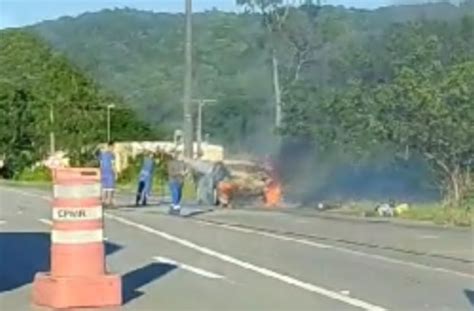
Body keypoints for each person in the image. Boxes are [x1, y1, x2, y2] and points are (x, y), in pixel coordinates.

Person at [99, 141, 116, 208]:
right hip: (109, 172)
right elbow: (113, 165)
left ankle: (103, 202)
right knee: (110, 188)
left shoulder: (102, 154)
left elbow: (100, 164)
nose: (113, 148)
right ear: (110, 146)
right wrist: (115, 173)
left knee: (104, 188)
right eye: (113, 147)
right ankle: (109, 202)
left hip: (103, 173)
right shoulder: (112, 155)